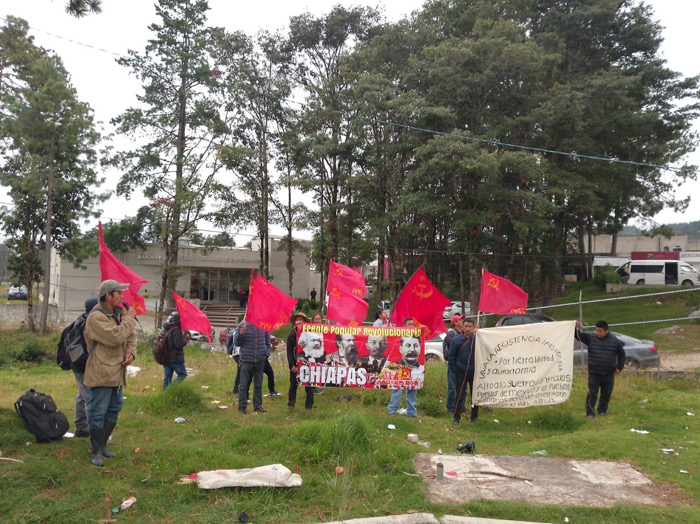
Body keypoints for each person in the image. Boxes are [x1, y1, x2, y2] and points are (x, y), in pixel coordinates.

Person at [83, 280, 137, 467]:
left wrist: (131, 353)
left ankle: (103, 444)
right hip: (101, 371)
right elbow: (116, 337)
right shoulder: (96, 317)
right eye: (119, 293)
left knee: (114, 408)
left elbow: (130, 336)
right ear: (108, 295)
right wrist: (129, 319)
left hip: (117, 372)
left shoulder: (119, 313)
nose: (122, 296)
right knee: (97, 412)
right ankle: (96, 450)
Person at [57, 297, 99, 438]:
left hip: (77, 362)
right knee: (90, 398)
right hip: (84, 364)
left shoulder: (80, 320)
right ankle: (96, 434)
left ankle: (81, 427)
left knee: (82, 395)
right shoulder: (90, 323)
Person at [576, 320, 625, 419]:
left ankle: (602, 410)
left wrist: (619, 367)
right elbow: (578, 335)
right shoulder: (590, 337)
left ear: (606, 331)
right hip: (594, 372)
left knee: (606, 393)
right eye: (596, 330)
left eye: (600, 331)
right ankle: (590, 412)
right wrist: (573, 326)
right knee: (592, 393)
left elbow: (621, 354)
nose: (597, 333)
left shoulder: (614, 340)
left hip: (609, 373)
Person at [233, 320, 270, 415]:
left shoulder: (264, 325)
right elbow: (237, 343)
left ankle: (257, 406)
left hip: (260, 360)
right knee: (243, 385)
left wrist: (266, 354)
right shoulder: (242, 325)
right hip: (246, 360)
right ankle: (242, 407)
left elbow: (267, 342)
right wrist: (241, 334)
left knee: (258, 385)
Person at [387, 319, 421, 418]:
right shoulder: (400, 335)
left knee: (413, 389)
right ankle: (392, 410)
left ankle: (411, 412)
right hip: (401, 368)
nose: (411, 326)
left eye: (412, 324)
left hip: (415, 370)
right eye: (409, 324)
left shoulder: (418, 336)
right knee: (398, 389)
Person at [449, 317, 479, 425]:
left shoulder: (478, 340)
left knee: (475, 396)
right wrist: (455, 370)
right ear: (463, 327)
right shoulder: (456, 340)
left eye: (470, 326)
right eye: (466, 326)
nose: (468, 328)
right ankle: (456, 417)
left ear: (474, 327)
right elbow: (451, 357)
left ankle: (474, 417)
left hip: (474, 372)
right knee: (460, 395)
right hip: (460, 372)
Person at [286, 312, 314, 411]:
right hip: (295, 365)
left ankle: (309, 407)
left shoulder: (311, 335)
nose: (299, 321)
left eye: (301, 320)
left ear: (305, 322)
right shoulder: (291, 336)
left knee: (309, 386)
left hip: (307, 364)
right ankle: (291, 405)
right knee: (293, 385)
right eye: (297, 319)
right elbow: (289, 351)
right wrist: (292, 365)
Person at [162, 312, 188, 390]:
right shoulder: (176, 329)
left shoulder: (166, 327)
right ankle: (170, 390)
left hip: (165, 357)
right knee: (182, 374)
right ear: (179, 320)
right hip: (175, 358)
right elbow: (178, 345)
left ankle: (164, 395)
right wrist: (185, 340)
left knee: (167, 377)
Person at [444, 315, 464, 414]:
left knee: (463, 387)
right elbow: (453, 346)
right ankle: (450, 408)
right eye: (460, 320)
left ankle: (462, 407)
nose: (462, 321)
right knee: (452, 387)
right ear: (455, 323)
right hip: (453, 364)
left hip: (463, 364)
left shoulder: (465, 333)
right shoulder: (450, 334)